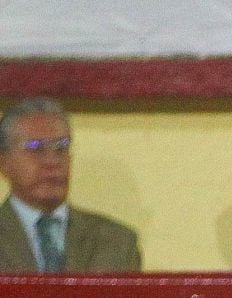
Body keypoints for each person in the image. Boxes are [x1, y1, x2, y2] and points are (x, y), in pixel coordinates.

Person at [0, 97, 141, 273]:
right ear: (4, 162)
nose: (52, 162)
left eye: (61, 148)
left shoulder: (116, 241)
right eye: (36, 148)